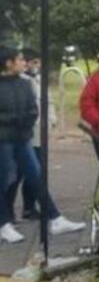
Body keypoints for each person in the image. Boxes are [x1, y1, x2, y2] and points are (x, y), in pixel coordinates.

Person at [0, 46, 84, 244]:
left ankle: (55, 218)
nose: (23, 63)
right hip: (3, 139)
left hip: (23, 137)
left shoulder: (25, 83)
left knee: (36, 175)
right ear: (8, 62)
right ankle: (3, 224)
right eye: (19, 60)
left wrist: (27, 121)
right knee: (5, 180)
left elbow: (33, 108)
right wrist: (13, 120)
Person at [8, 48, 56, 219]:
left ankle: (30, 207)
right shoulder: (19, 81)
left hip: (38, 131)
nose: (38, 65)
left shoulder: (39, 80)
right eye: (34, 62)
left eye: (39, 62)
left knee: (35, 171)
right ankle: (7, 212)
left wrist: (51, 118)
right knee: (17, 174)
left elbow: (47, 101)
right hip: (23, 133)